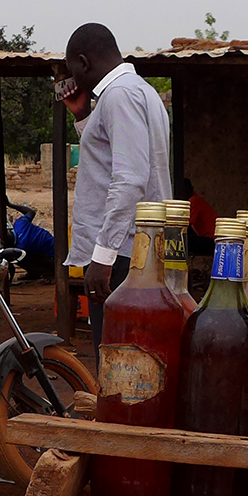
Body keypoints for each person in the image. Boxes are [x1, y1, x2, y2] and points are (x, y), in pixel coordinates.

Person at [61, 23, 172, 357]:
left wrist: (103, 255)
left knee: (117, 359)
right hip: (138, 250)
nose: (73, 81)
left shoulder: (119, 96)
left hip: (124, 254)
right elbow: (111, 161)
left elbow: (130, 180)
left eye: (72, 71)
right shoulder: (140, 91)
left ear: (83, 62)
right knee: (135, 355)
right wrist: (83, 118)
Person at [181, 176, 217, 259]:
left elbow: (186, 226)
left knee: (182, 240)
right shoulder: (197, 199)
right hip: (211, 240)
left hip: (212, 241)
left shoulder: (194, 201)